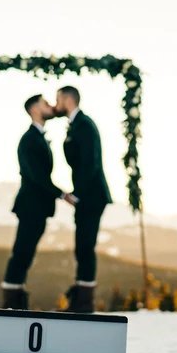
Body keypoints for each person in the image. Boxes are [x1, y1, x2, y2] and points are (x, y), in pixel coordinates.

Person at [1, 94, 75, 309]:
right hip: (31, 206)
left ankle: (15, 295)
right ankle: (12, 300)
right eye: (45, 103)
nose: (51, 106)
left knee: (26, 253)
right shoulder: (29, 139)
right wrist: (62, 194)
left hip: (38, 207)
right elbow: (36, 176)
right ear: (34, 109)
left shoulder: (37, 137)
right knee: (22, 252)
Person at [55, 85, 112, 313]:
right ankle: (80, 297)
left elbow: (91, 162)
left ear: (68, 100)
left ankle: (84, 302)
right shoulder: (76, 125)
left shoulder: (85, 125)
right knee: (82, 247)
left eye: (57, 99)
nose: (56, 104)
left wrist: (78, 193)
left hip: (91, 195)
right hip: (86, 196)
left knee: (86, 247)